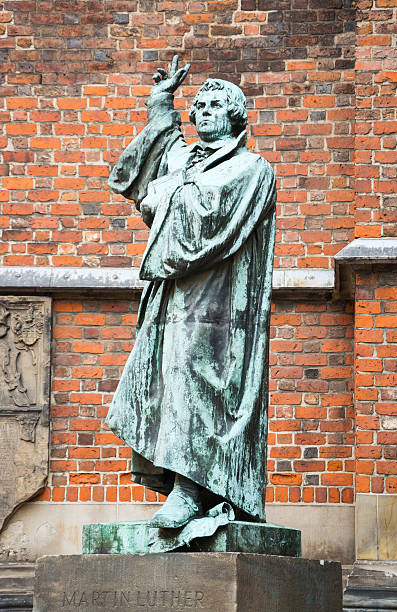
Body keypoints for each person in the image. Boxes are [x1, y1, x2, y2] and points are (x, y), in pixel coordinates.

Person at [106, 55, 277, 529]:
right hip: (171, 300)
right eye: (198, 105)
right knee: (162, 383)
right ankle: (183, 484)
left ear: (236, 116)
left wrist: (162, 197)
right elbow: (162, 153)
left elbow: (204, 214)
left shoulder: (251, 168)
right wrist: (163, 103)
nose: (202, 112)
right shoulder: (187, 158)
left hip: (217, 306)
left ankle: (192, 490)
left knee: (196, 383)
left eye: (214, 105)